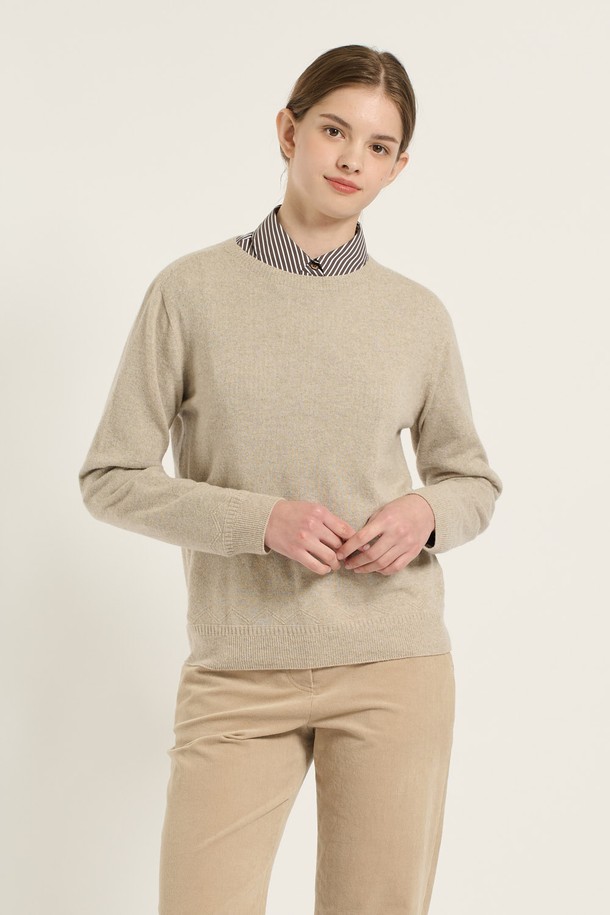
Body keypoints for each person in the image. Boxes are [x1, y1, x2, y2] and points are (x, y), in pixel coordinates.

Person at [78, 43, 503, 915]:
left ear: (399, 167)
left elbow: (471, 479)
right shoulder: (188, 293)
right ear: (288, 131)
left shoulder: (416, 315)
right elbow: (110, 476)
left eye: (379, 146)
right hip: (238, 669)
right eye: (333, 131)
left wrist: (424, 512)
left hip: (392, 663)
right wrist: (261, 520)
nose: (352, 160)